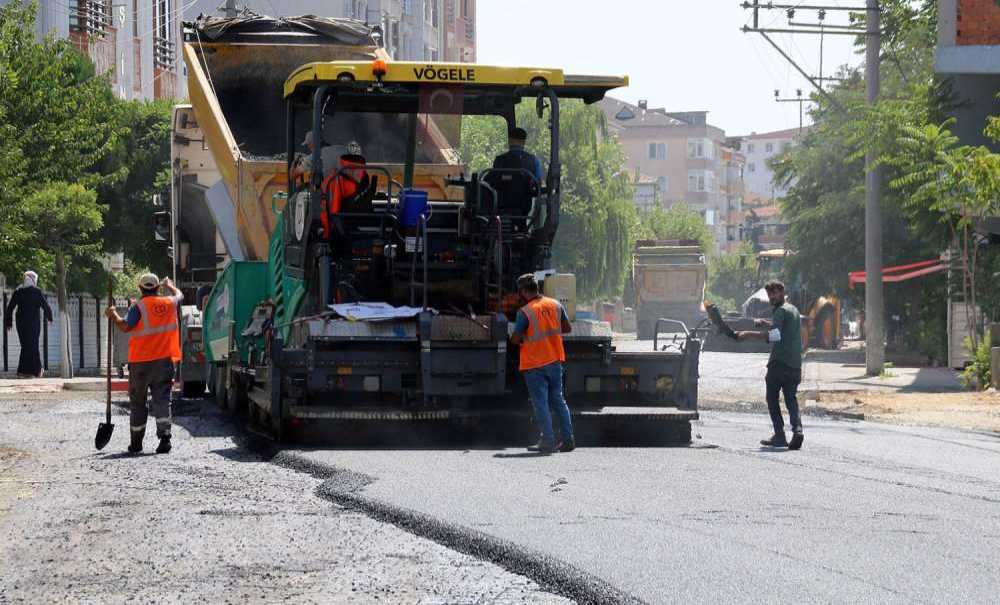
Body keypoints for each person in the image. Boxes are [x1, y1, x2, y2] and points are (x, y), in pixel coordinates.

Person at [105, 274, 183, 455]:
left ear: (140, 288)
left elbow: (125, 326)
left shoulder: (138, 307)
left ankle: (136, 443)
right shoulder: (169, 302)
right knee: (163, 399)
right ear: (157, 288)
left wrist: (113, 314)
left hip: (140, 364)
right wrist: (170, 286)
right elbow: (180, 296)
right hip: (164, 362)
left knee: (138, 403)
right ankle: (165, 438)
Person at [510, 273, 575, 454]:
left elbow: (515, 340)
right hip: (554, 360)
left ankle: (548, 441)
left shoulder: (525, 312)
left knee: (541, 404)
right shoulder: (555, 304)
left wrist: (517, 337)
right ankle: (568, 440)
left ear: (523, 291)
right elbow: (567, 328)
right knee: (559, 400)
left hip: (534, 364)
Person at [736, 281, 804, 450]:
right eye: (769, 294)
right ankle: (798, 431)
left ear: (782, 292)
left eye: (774, 293)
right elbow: (784, 328)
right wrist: (765, 323)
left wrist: (748, 334)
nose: (771, 297)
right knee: (791, 399)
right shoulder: (792, 309)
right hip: (795, 363)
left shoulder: (780, 311)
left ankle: (779, 435)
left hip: (779, 362)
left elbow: (775, 335)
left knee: (772, 398)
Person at [3, 271, 53, 378]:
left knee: (26, 345)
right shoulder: (37, 291)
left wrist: (8, 322)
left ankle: (24, 371)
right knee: (33, 345)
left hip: (21, 324)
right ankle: (36, 370)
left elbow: (10, 308)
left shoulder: (18, 291)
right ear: (33, 280)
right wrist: (50, 317)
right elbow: (45, 306)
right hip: (34, 323)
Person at [490, 127, 544, 216]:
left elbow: (493, 181)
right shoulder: (533, 161)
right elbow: (537, 183)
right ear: (524, 142)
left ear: (510, 140)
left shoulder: (500, 160)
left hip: (502, 206)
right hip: (524, 207)